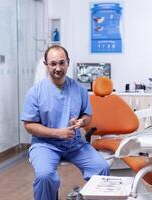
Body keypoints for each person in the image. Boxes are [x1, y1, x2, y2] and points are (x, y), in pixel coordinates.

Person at [21, 45, 110, 200]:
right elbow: (29, 125)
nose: (58, 68)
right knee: (44, 176)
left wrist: (81, 122)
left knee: (101, 168)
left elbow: (88, 116)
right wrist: (57, 133)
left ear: (68, 62)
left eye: (62, 63)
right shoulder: (35, 92)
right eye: (53, 63)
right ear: (46, 64)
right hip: (45, 145)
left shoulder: (79, 89)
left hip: (75, 145)